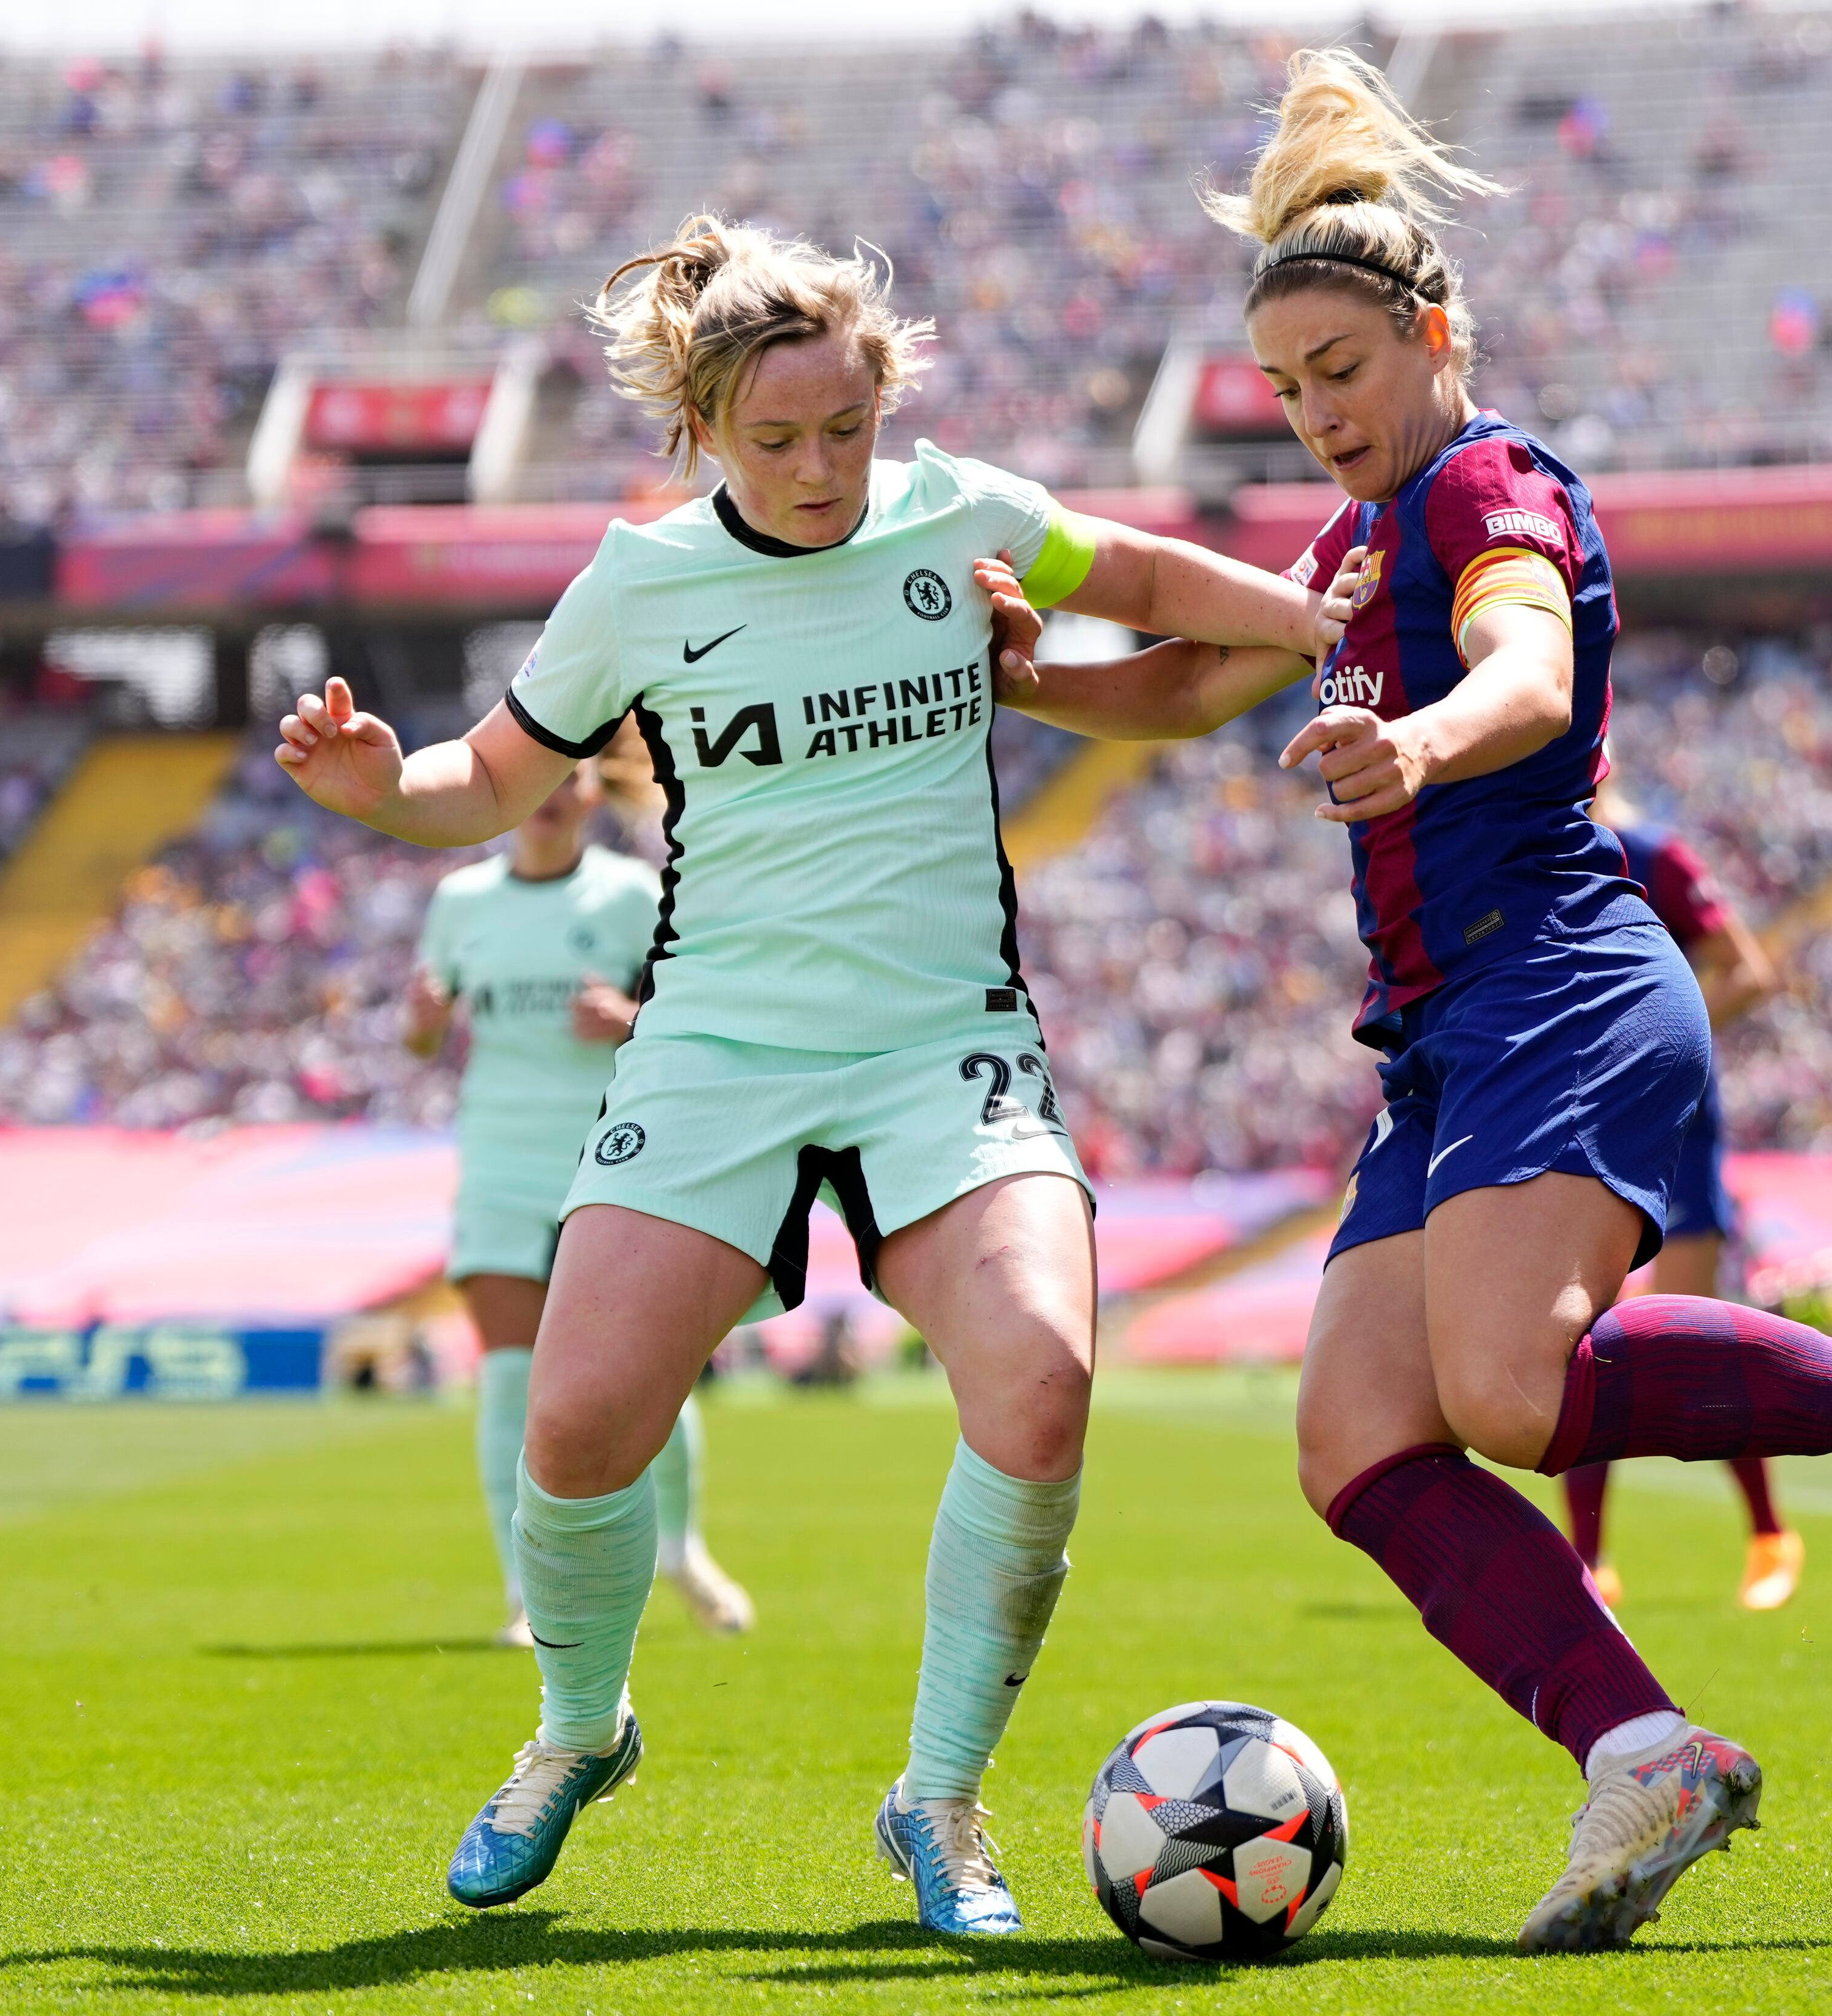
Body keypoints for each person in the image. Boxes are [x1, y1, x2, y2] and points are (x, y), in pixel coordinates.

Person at [978, 47, 1832, 1954]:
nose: (1312, 418)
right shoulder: (1350, 540)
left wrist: (1424, 747)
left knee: (1507, 1393)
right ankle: (1642, 1752)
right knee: (1358, 1444)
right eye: (1283, 392)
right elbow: (1192, 685)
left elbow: (1524, 670)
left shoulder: (1487, 482)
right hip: (1439, 1038)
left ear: (1436, 334)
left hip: (1560, 980)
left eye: (1339, 375)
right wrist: (1025, 681)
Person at [276, 212, 1344, 1933]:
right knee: (575, 1420)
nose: (817, 467)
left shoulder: (957, 514)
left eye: (844, 427)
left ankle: (938, 1800)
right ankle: (577, 1728)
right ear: (699, 427)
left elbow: (1142, 584)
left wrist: (1310, 616)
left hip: (945, 1043)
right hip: (718, 1042)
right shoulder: (637, 581)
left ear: (883, 398)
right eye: (773, 440)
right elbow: (481, 785)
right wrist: (380, 786)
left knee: (1047, 1379)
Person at [407, 756, 754, 1651]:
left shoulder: (634, 894)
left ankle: (682, 1549)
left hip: (615, 1156)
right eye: (541, 776)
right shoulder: (460, 902)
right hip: (500, 1157)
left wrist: (632, 1014)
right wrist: (423, 1020)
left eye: (573, 776)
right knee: (512, 1377)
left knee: (646, 1372)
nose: (555, 792)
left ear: (596, 793)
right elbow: (422, 1037)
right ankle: (528, 1594)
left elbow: (704, 1010)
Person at [1559, 795, 1801, 1613]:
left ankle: (1769, 1531)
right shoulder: (1519, 840)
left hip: (1675, 1112)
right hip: (1579, 1110)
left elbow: (1751, 970)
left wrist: (1661, 1031)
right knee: (1576, 1336)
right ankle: (1590, 1562)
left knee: (1692, 1334)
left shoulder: (1652, 854)